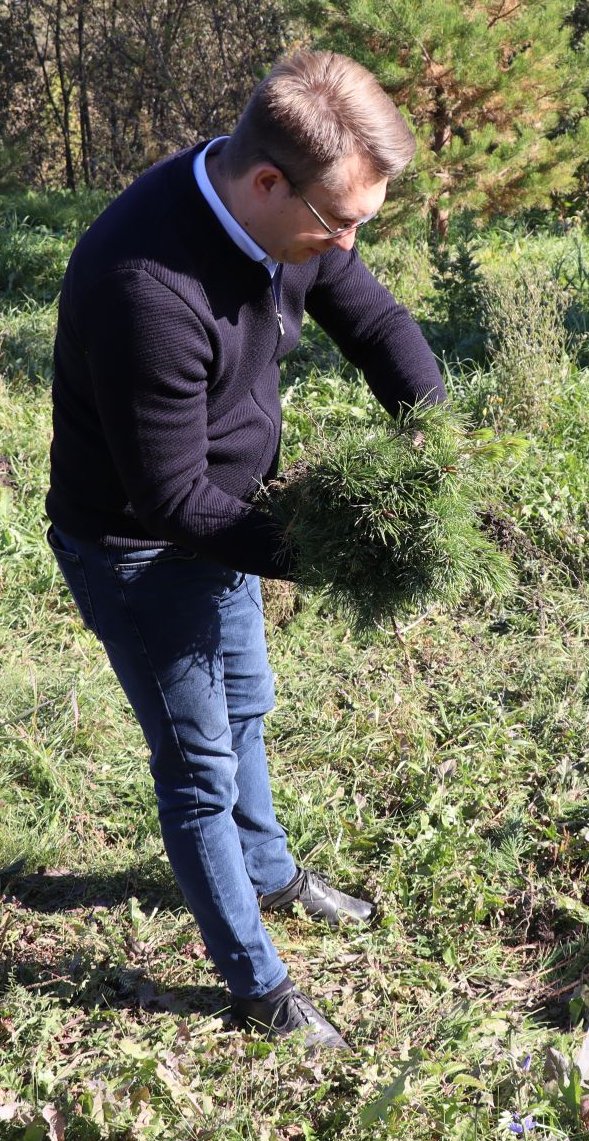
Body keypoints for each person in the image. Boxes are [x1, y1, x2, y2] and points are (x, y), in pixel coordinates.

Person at [43, 51, 444, 1051]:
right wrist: (339, 553)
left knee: (249, 698)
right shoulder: (146, 283)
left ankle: (268, 868)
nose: (346, 243)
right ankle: (257, 984)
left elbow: (379, 322)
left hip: (227, 519)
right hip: (136, 548)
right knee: (197, 765)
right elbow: (172, 497)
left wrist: (437, 439)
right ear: (268, 182)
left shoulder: (289, 215)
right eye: (340, 221)